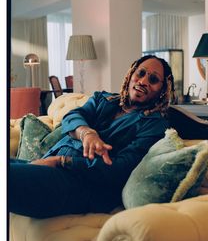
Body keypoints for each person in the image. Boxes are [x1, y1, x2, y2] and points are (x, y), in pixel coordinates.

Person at [9, 55, 175, 218]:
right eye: (141, 73)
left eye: (153, 79)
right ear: (131, 74)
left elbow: (120, 168)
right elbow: (71, 117)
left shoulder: (153, 125)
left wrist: (61, 161)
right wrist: (86, 133)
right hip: (47, 163)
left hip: (78, 182)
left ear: (162, 90)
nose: (143, 81)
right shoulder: (103, 99)